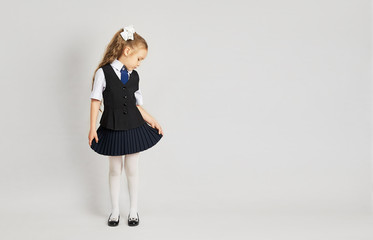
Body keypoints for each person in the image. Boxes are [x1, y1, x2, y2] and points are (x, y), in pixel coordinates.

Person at [88, 25, 164, 227]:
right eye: (139, 59)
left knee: (132, 169)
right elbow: (96, 100)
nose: (140, 64)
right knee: (114, 169)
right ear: (127, 51)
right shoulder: (103, 73)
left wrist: (150, 118)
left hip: (133, 126)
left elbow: (135, 104)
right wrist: (92, 127)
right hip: (112, 127)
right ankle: (114, 211)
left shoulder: (134, 76)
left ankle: (133, 211)